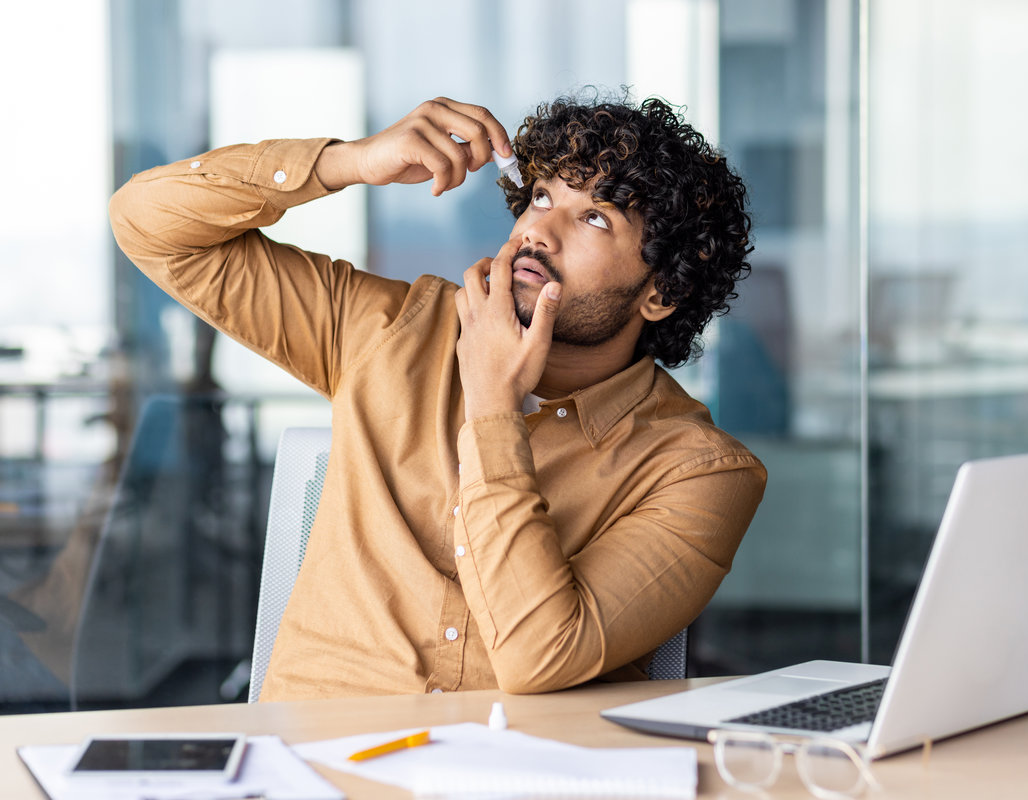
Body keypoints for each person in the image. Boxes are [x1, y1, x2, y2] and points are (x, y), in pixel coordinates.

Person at [109, 92, 767, 701]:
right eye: (541, 197)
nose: (541, 231)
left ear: (661, 293)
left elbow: (540, 655)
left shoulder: (701, 473)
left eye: (594, 216)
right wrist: (348, 161)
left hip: (522, 776)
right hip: (311, 763)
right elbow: (147, 222)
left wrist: (491, 405)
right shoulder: (384, 331)